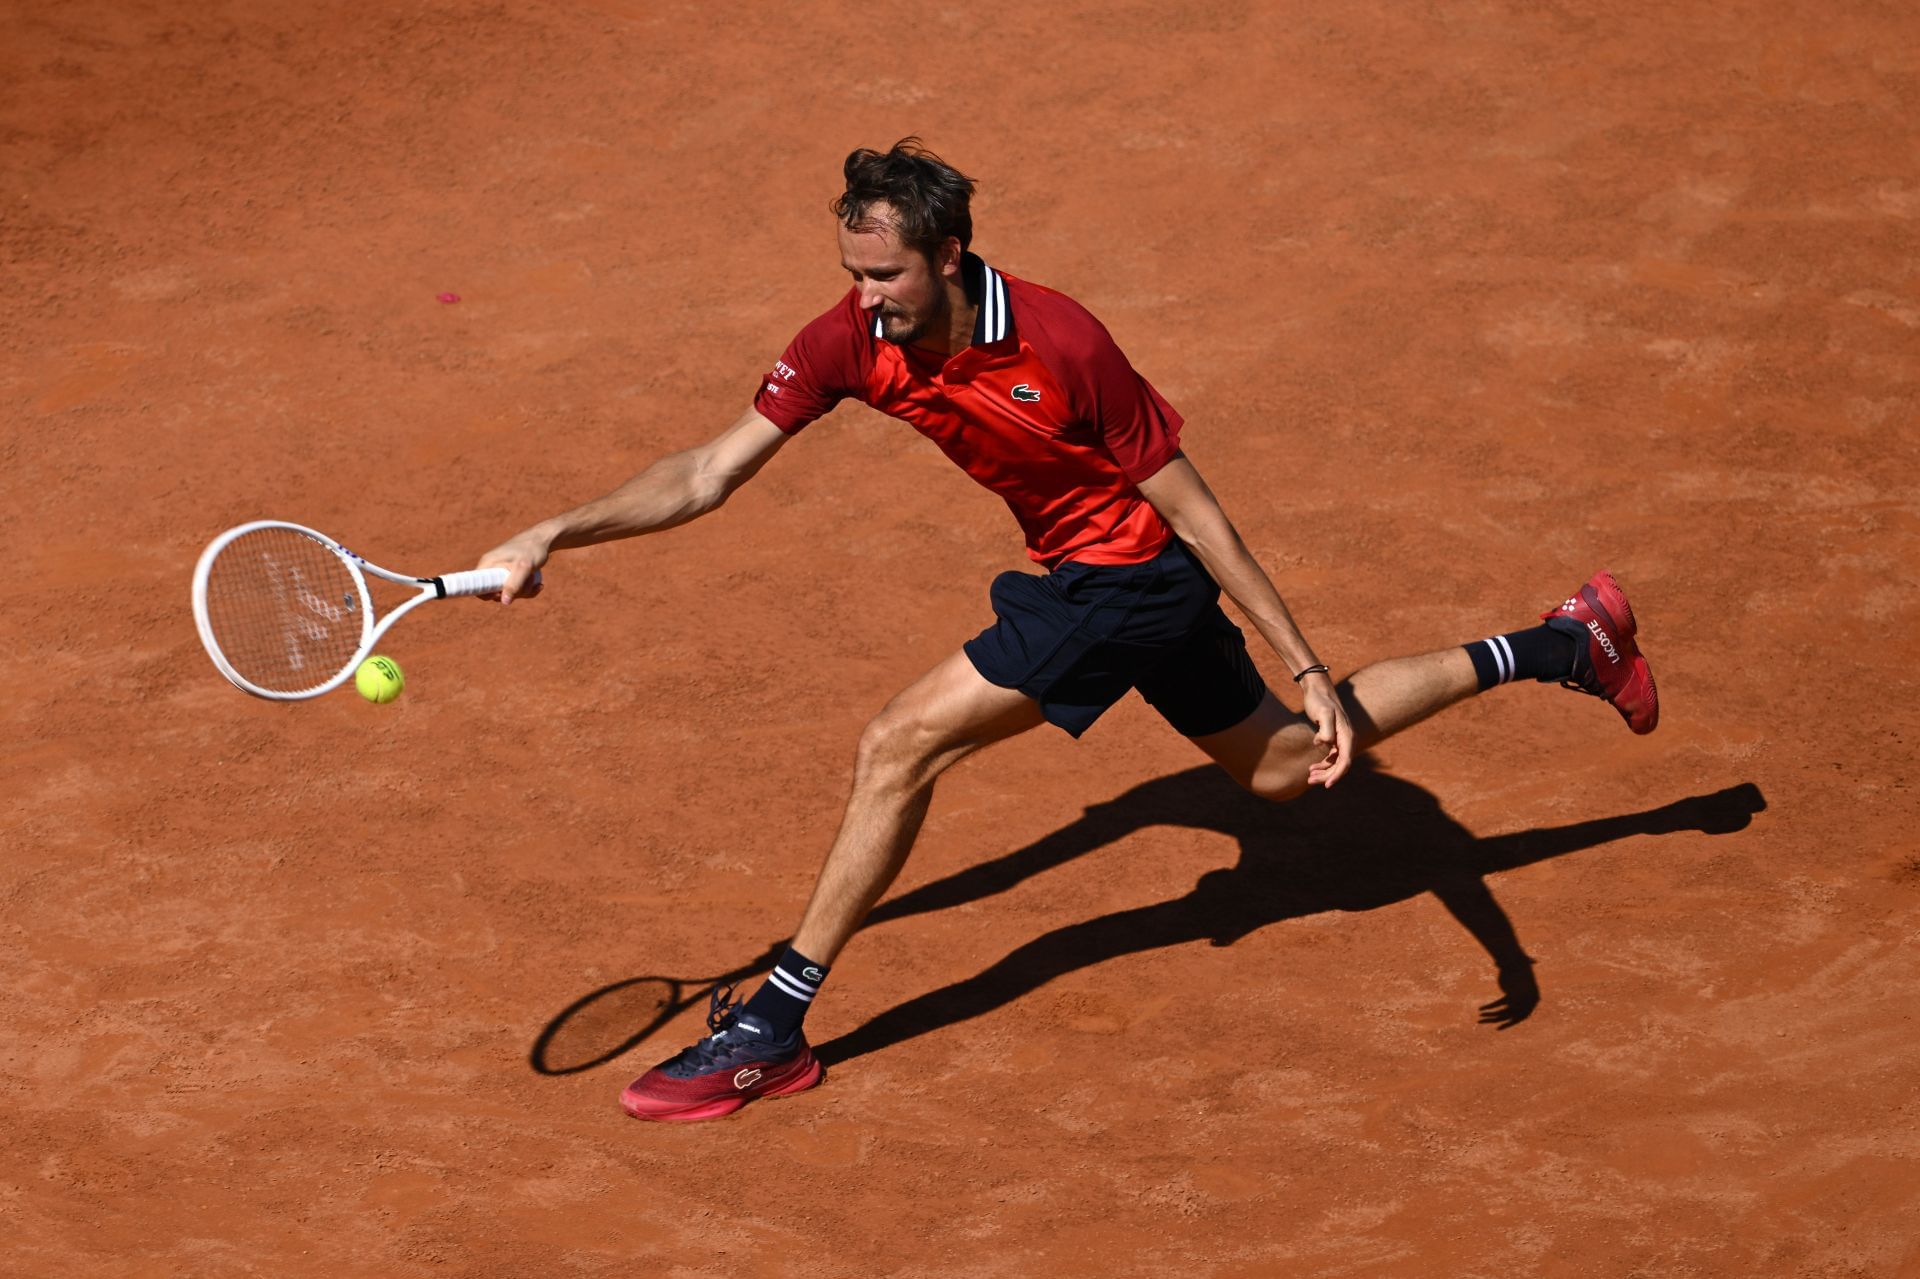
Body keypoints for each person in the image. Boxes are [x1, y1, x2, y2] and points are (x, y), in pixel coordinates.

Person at [475, 138, 1658, 1123]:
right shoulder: (852, 338)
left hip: (1124, 582)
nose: (862, 294)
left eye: (883, 273)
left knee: (899, 744)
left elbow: (1199, 514)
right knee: (1290, 766)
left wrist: (1301, 657)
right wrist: (551, 532)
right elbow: (704, 473)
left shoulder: (1064, 342)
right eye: (849, 269)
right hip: (1099, 581)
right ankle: (1565, 644)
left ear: (946, 254)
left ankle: (774, 1026)